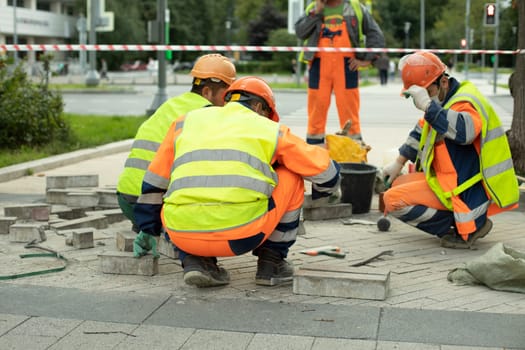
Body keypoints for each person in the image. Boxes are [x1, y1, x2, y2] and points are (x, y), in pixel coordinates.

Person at [132, 76, 341, 288]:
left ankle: (196, 262)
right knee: (291, 175)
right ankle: (271, 264)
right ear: (260, 107)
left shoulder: (185, 122)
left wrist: (147, 228)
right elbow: (325, 171)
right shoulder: (269, 129)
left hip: (181, 235)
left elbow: (154, 182)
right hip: (242, 236)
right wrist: (326, 191)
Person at [382, 51, 519, 249]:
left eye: (426, 93)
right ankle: (462, 221)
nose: (421, 101)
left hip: (467, 193)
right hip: (450, 183)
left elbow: (465, 132)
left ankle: (464, 227)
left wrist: (429, 107)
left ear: (443, 82)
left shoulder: (463, 102)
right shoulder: (445, 100)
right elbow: (422, 129)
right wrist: (399, 162)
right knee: (398, 184)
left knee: (393, 200)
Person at [116, 53, 236, 232]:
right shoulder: (206, 114)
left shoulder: (172, 104)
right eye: (226, 96)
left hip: (127, 200)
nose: (227, 102)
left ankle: (148, 226)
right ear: (207, 92)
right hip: (154, 206)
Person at [295, 0, 385, 144]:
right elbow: (300, 32)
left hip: (347, 67)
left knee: (349, 112)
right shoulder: (313, 8)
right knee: (316, 112)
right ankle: (314, 150)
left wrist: (367, 60)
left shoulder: (355, 8)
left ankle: (354, 153)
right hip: (318, 66)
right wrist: (316, 12)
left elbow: (375, 34)